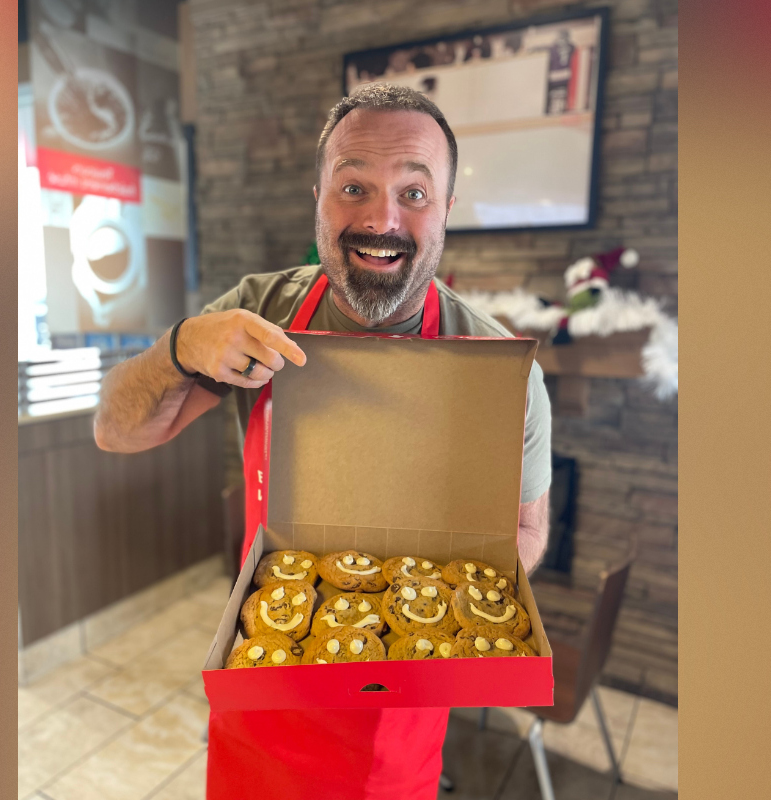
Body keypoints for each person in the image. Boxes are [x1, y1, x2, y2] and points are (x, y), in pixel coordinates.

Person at [94, 83, 553, 799]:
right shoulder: (259, 314)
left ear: (447, 213)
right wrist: (179, 347)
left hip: (400, 723)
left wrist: (440, 596)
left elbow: (526, 529)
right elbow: (115, 430)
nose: (382, 217)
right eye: (354, 185)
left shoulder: (499, 370)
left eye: (414, 192)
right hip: (260, 708)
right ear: (318, 197)